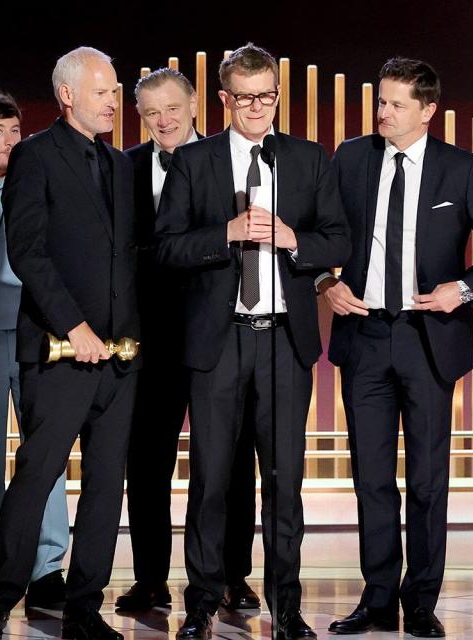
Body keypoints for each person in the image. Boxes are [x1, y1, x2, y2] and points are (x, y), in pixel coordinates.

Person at [321, 57, 473, 638]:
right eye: (380, 101)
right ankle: (378, 598)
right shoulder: (352, 158)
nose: (383, 113)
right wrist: (324, 282)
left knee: (429, 482)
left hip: (428, 341)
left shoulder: (460, 170)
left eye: (396, 104)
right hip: (365, 338)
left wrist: (463, 289)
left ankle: (421, 602)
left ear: (428, 109)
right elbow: (316, 234)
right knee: (371, 479)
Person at [155, 44, 350, 640]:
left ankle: (286, 608)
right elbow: (166, 248)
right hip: (219, 342)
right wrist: (226, 233)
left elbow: (338, 240)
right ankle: (201, 603)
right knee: (211, 481)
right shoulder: (194, 160)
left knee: (285, 482)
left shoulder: (309, 158)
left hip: (284, 343)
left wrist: (294, 238)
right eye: (245, 97)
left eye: (267, 95)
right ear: (224, 99)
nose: (258, 107)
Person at [0, 46, 139, 640]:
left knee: (103, 485)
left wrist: (129, 334)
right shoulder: (35, 157)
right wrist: (76, 327)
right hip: (60, 352)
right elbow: (30, 254)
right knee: (37, 475)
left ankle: (84, 610)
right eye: (102, 91)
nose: (113, 101)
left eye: (115, 91)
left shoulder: (120, 164)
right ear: (68, 95)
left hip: (120, 357)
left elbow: (128, 257)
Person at [118, 68, 259, 613]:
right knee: (147, 460)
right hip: (148, 337)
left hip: (220, 331)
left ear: (197, 104)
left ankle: (231, 575)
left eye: (173, 108)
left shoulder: (229, 159)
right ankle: (149, 577)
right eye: (151, 113)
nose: (164, 121)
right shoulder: (123, 168)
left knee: (229, 457)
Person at [0, 91, 70, 609]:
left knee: (45, 454)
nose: (9, 140)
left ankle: (48, 568)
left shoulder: (42, 181)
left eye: (14, 130)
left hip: (39, 335)